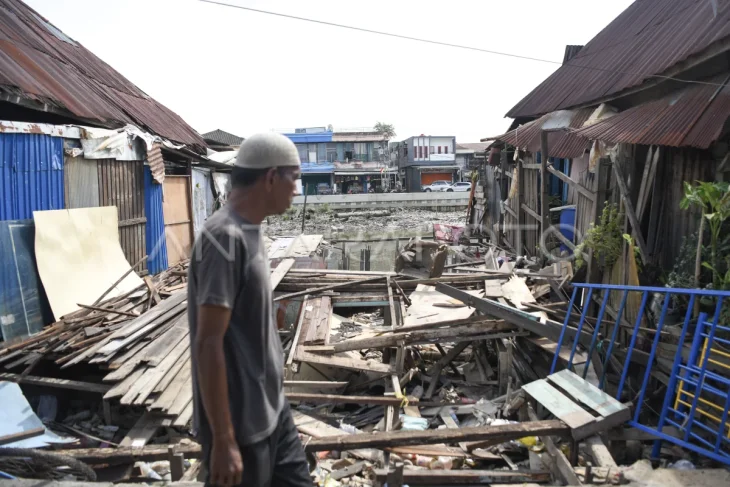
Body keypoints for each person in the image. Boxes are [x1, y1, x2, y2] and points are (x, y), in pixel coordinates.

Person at [187, 132, 310, 487]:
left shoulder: (251, 230)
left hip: (272, 410)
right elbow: (209, 343)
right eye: (295, 178)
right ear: (272, 177)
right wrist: (224, 439)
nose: (297, 190)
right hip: (241, 427)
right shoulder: (223, 237)